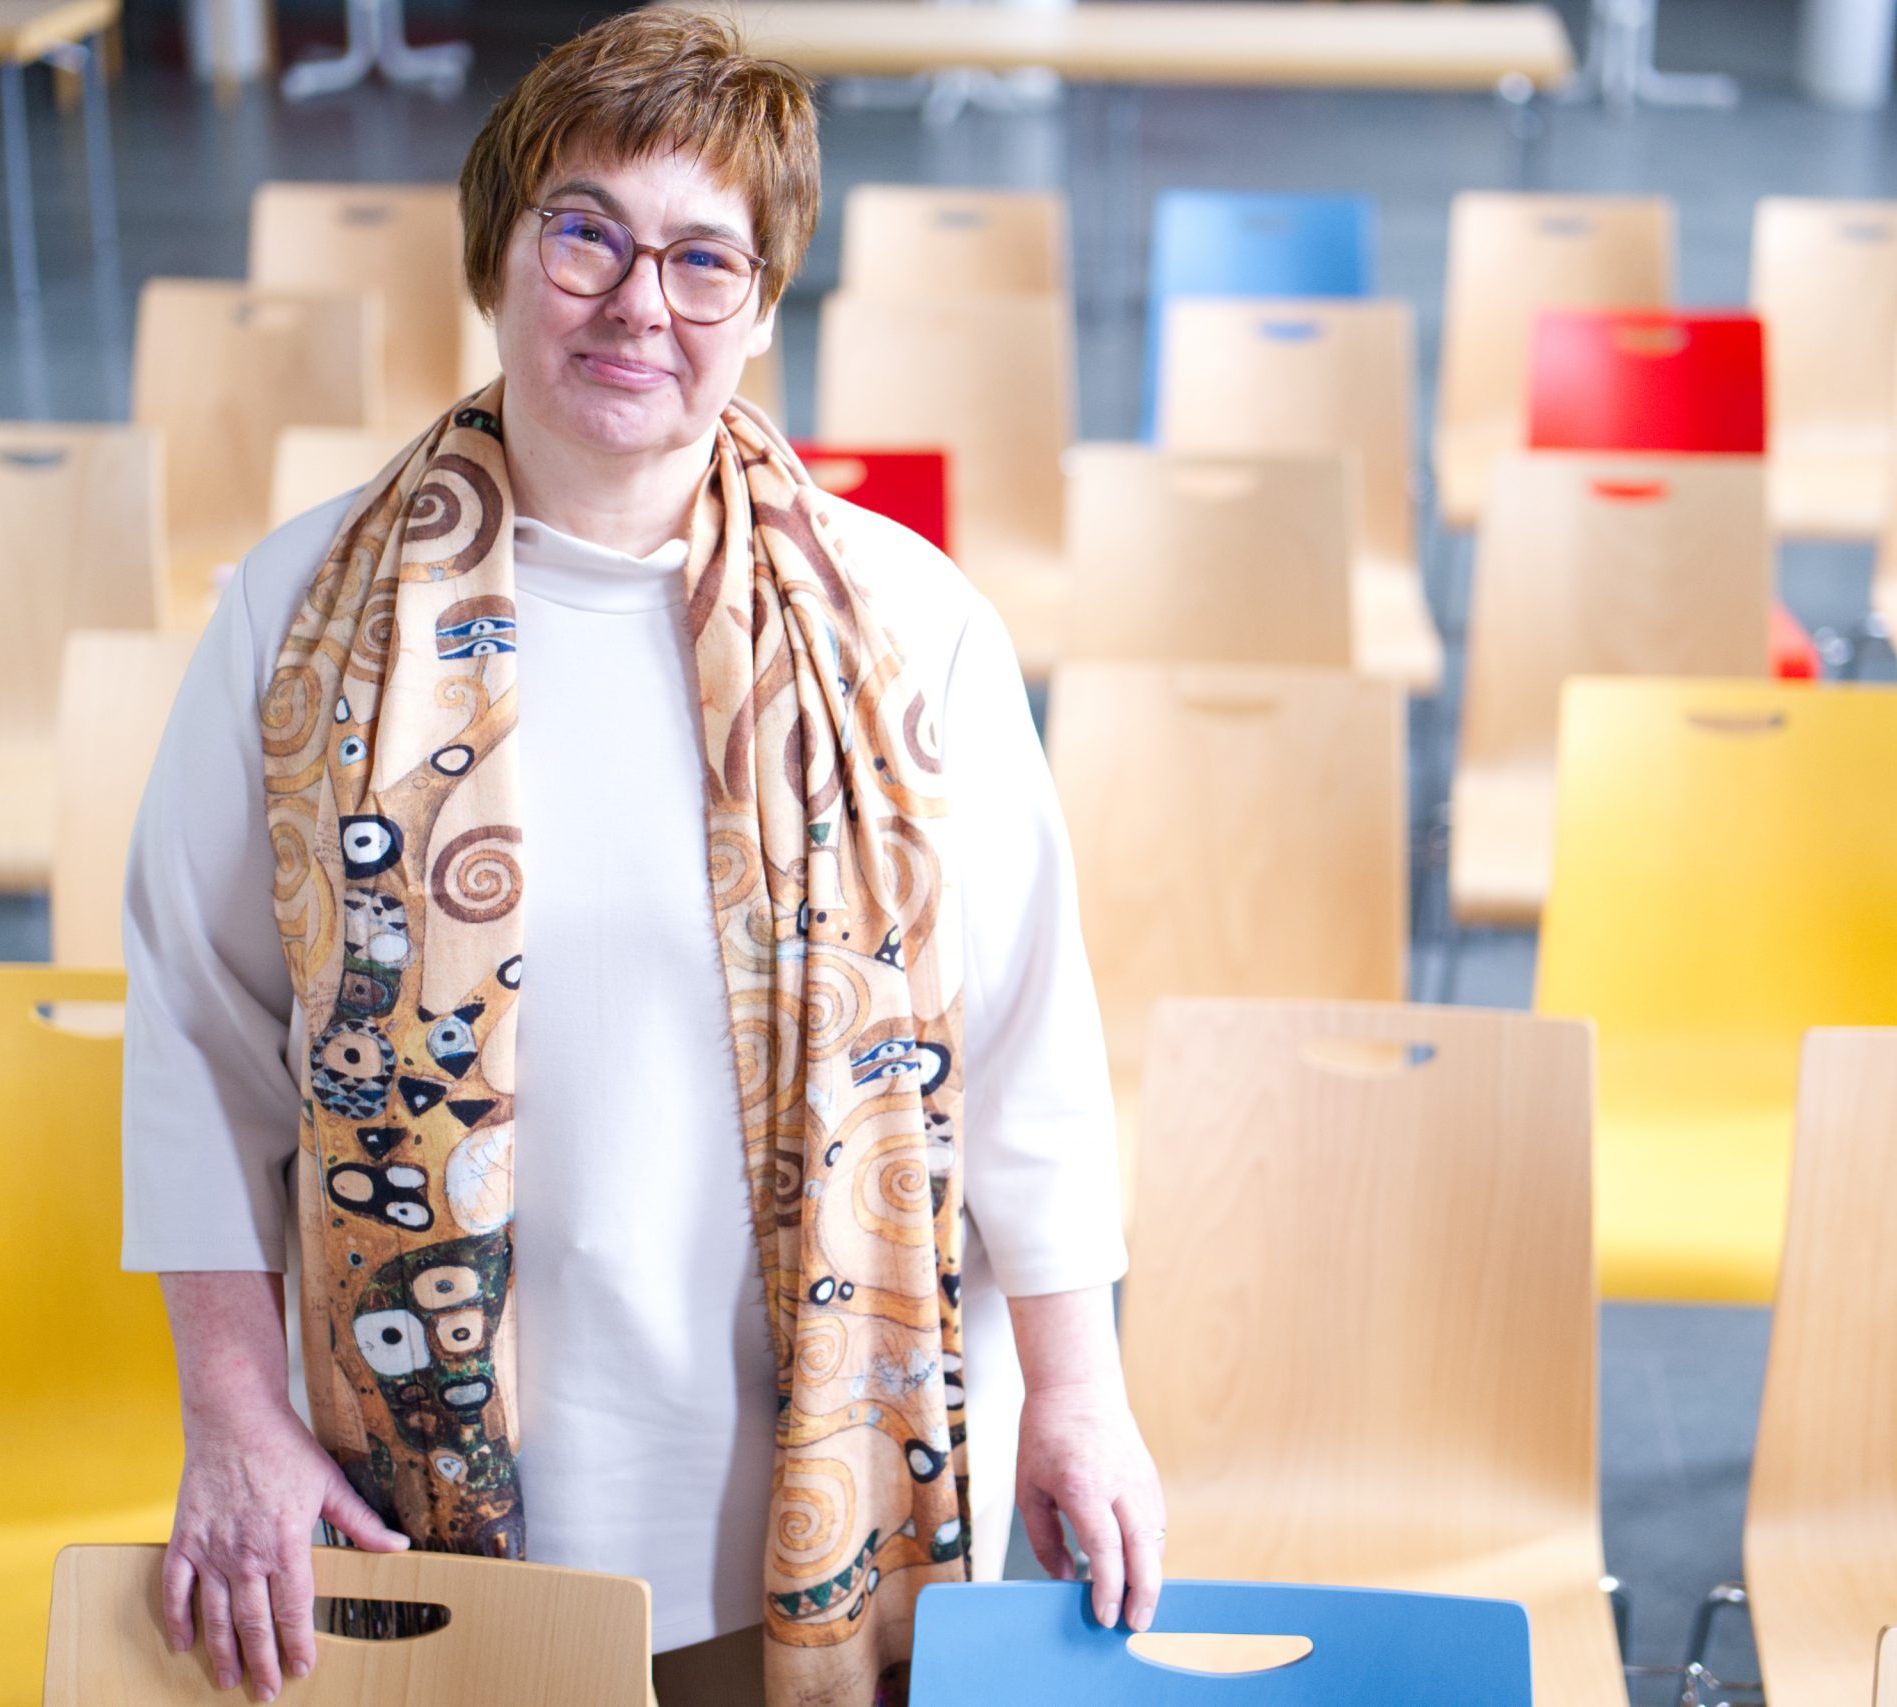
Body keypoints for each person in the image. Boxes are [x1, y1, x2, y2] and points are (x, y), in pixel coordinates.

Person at [117, 12, 1163, 1703]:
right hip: (423, 1516)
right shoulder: (298, 617)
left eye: (702, 260)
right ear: (498, 251)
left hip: (811, 1510)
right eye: (585, 232)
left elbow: (1029, 1048)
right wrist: (231, 1416)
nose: (636, 304)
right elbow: (199, 1039)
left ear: (759, 310)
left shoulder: (908, 624)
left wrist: (1082, 1395)